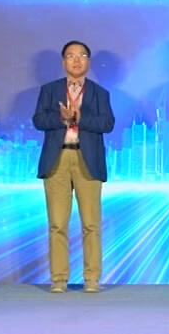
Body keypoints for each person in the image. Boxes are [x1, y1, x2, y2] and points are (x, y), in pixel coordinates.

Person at [33, 40, 116, 293]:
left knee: (91, 224)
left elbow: (107, 124)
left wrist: (80, 118)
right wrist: (61, 118)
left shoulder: (100, 93)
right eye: (71, 56)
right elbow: (38, 120)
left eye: (82, 55)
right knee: (57, 224)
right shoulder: (49, 90)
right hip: (57, 159)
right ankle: (59, 279)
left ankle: (92, 279)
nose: (76, 60)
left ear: (88, 61)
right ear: (63, 62)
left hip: (87, 159)